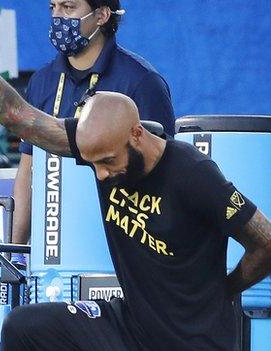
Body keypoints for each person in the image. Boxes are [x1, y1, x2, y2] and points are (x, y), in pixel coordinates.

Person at [0, 6, 271, 350]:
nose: (102, 174)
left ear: (137, 135)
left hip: (191, 339)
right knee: (24, 326)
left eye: (107, 162)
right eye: (93, 165)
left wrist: (222, 291)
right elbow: (15, 115)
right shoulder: (97, 143)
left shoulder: (192, 173)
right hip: (130, 324)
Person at [11, 0, 175, 255]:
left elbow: (164, 174)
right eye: (52, 7)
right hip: (56, 248)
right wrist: (14, 252)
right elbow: (28, 172)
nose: (57, 18)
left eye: (68, 7)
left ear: (101, 15)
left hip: (124, 247)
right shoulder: (41, 82)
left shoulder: (142, 81)